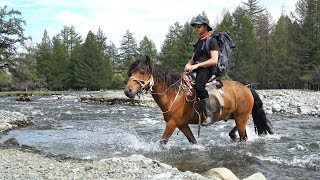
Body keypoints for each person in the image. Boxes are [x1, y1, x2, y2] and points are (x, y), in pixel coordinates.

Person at [184, 15, 219, 126]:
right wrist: (188, 64)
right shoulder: (199, 42)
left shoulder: (212, 41)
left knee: (199, 86)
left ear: (205, 27)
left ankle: (209, 116)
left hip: (207, 69)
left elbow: (214, 60)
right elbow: (194, 58)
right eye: (196, 27)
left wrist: (196, 66)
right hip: (198, 69)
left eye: (199, 26)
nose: (196, 29)